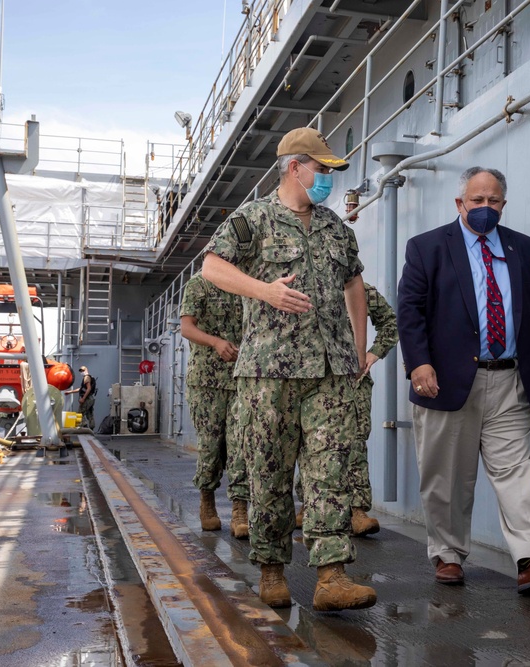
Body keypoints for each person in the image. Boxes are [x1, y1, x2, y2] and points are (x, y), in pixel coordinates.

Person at [202, 126, 376, 612]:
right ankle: (272, 569)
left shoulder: (338, 229)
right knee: (270, 472)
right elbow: (212, 267)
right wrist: (266, 291)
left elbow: (355, 287)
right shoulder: (252, 219)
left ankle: (331, 576)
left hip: (329, 372)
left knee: (330, 471)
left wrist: (358, 351)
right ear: (295, 167)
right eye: (322, 170)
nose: (328, 181)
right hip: (268, 373)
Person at [396, 166, 530, 595]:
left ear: (503, 204)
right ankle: (448, 554)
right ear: (460, 203)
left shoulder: (525, 249)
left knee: (517, 470)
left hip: (510, 379)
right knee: (447, 476)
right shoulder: (427, 248)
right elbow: (410, 310)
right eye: (476, 200)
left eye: (492, 201)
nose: (484, 207)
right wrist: (418, 363)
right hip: (446, 381)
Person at [295, 282, 398, 537]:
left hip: (353, 381)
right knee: (308, 442)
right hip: (312, 379)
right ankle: (309, 504)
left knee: (355, 442)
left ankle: (357, 510)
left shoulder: (363, 291)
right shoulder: (303, 287)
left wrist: (372, 354)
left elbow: (391, 324)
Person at [180, 270, 249, 537]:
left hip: (241, 379)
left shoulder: (246, 285)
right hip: (206, 382)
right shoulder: (199, 284)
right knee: (210, 447)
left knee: (240, 445)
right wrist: (216, 342)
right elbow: (187, 327)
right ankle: (207, 501)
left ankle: (239, 510)